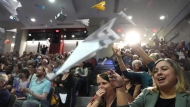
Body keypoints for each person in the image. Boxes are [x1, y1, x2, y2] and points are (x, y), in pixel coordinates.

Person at [109, 58, 190, 107]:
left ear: (176, 74)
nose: (158, 73)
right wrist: (119, 87)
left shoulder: (187, 98)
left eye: (164, 69)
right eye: (155, 71)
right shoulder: (147, 93)